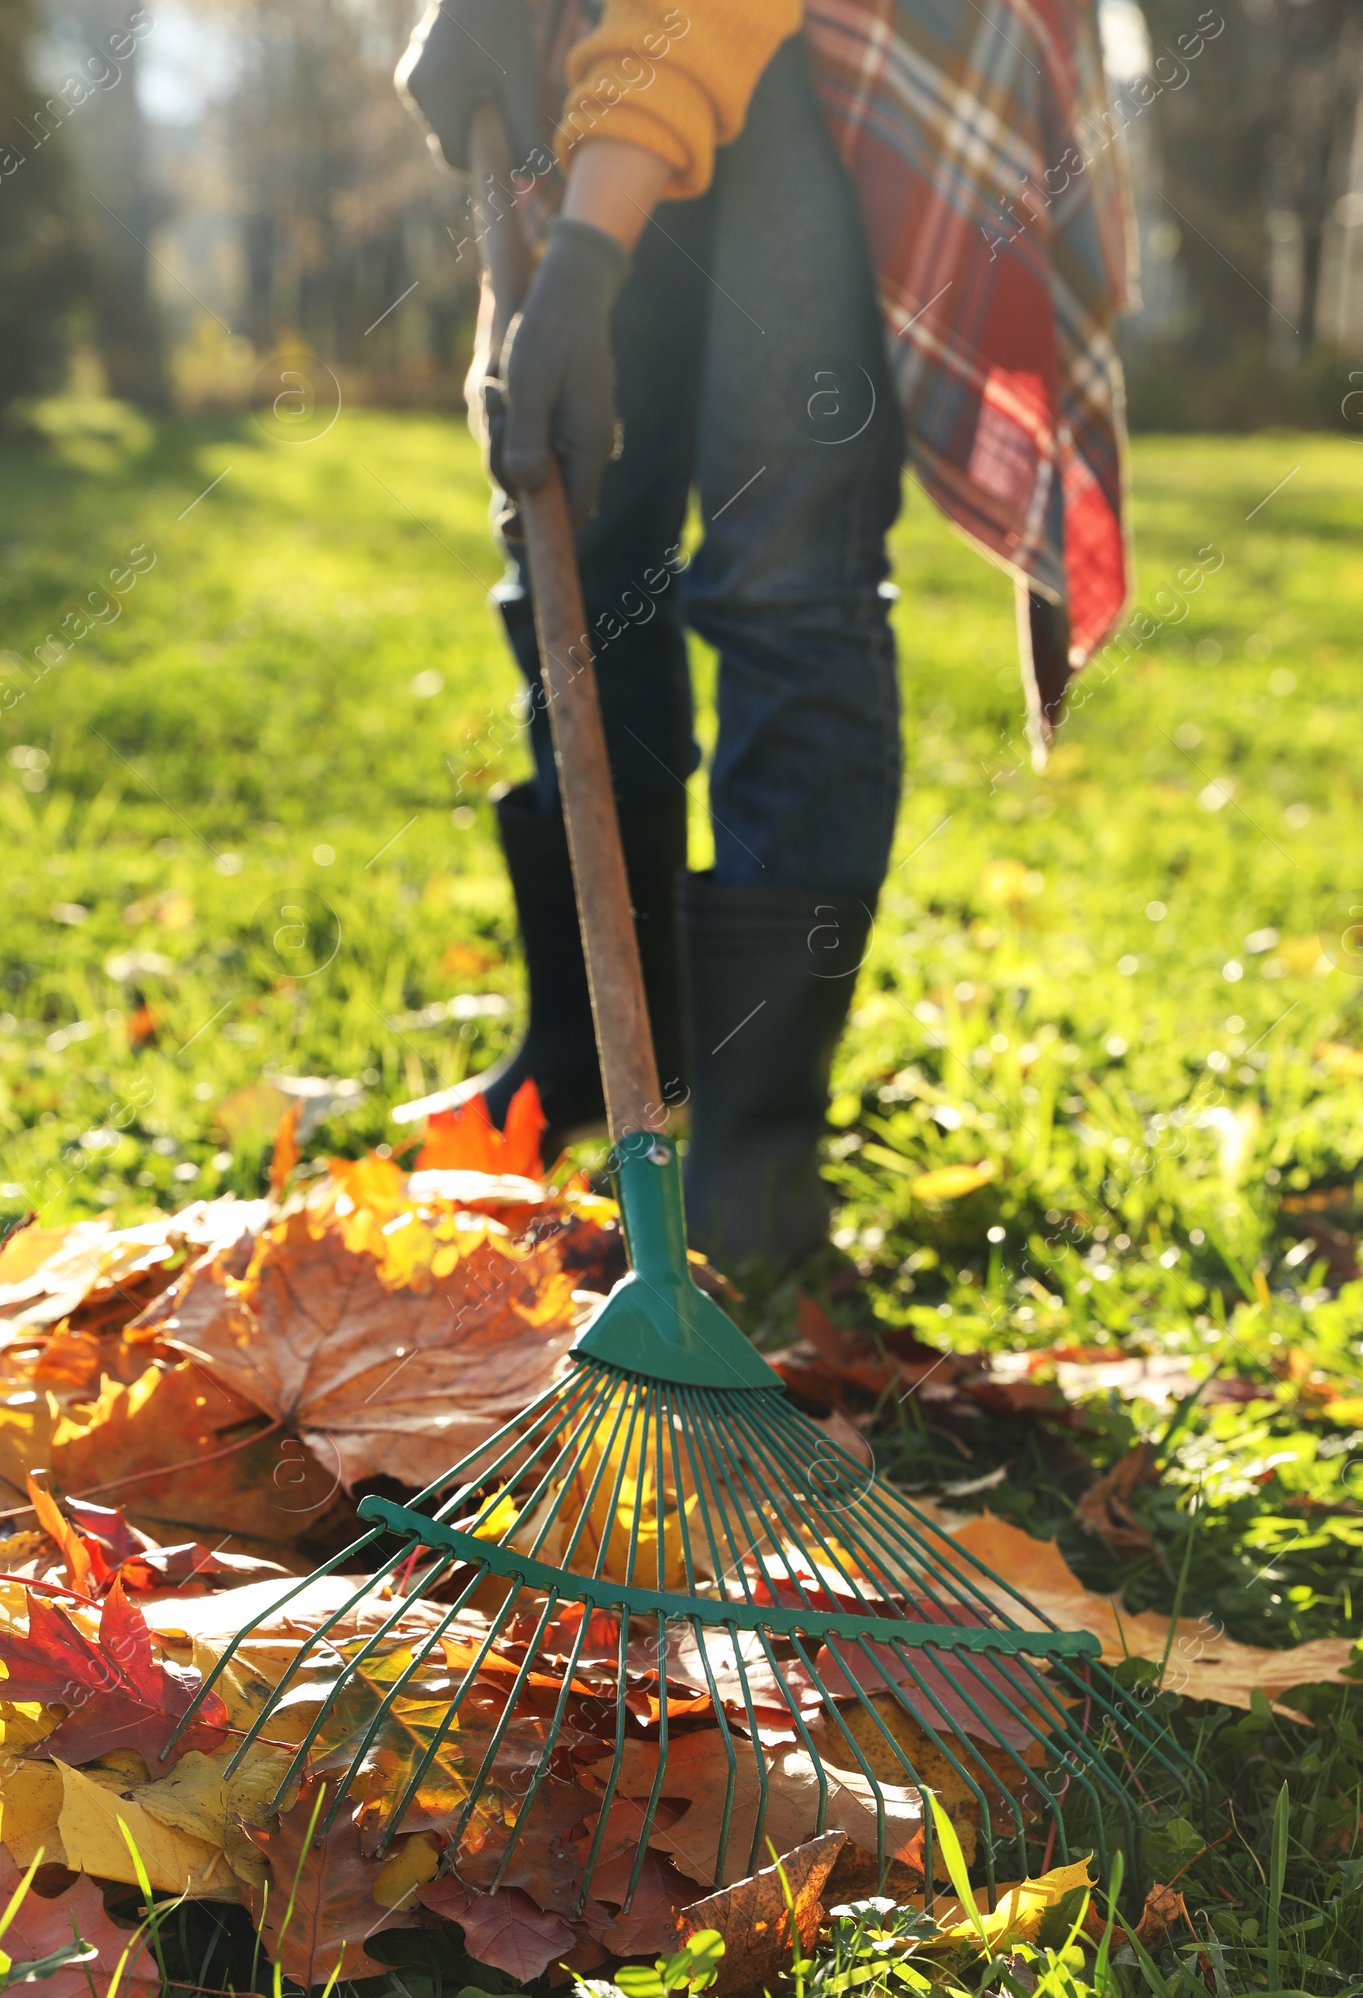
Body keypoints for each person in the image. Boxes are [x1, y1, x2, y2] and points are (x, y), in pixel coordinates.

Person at [396, 0, 1132, 1270]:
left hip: (858, 46)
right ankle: (593, 1049)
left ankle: (753, 1162)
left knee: (785, 570)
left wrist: (584, 257)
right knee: (575, 523)